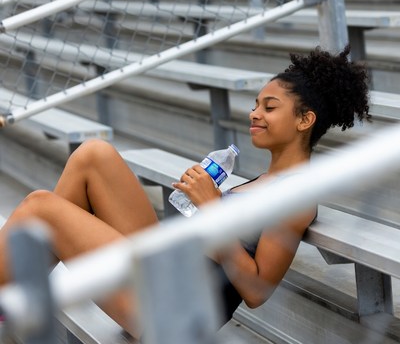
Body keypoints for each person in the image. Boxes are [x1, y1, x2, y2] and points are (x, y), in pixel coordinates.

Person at [0, 45, 370, 339]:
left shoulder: (297, 195)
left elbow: (257, 292)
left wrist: (213, 211)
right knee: (93, 154)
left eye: (269, 107)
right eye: (255, 104)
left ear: (305, 120)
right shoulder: (258, 183)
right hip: (166, 275)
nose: (255, 113)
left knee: (41, 208)